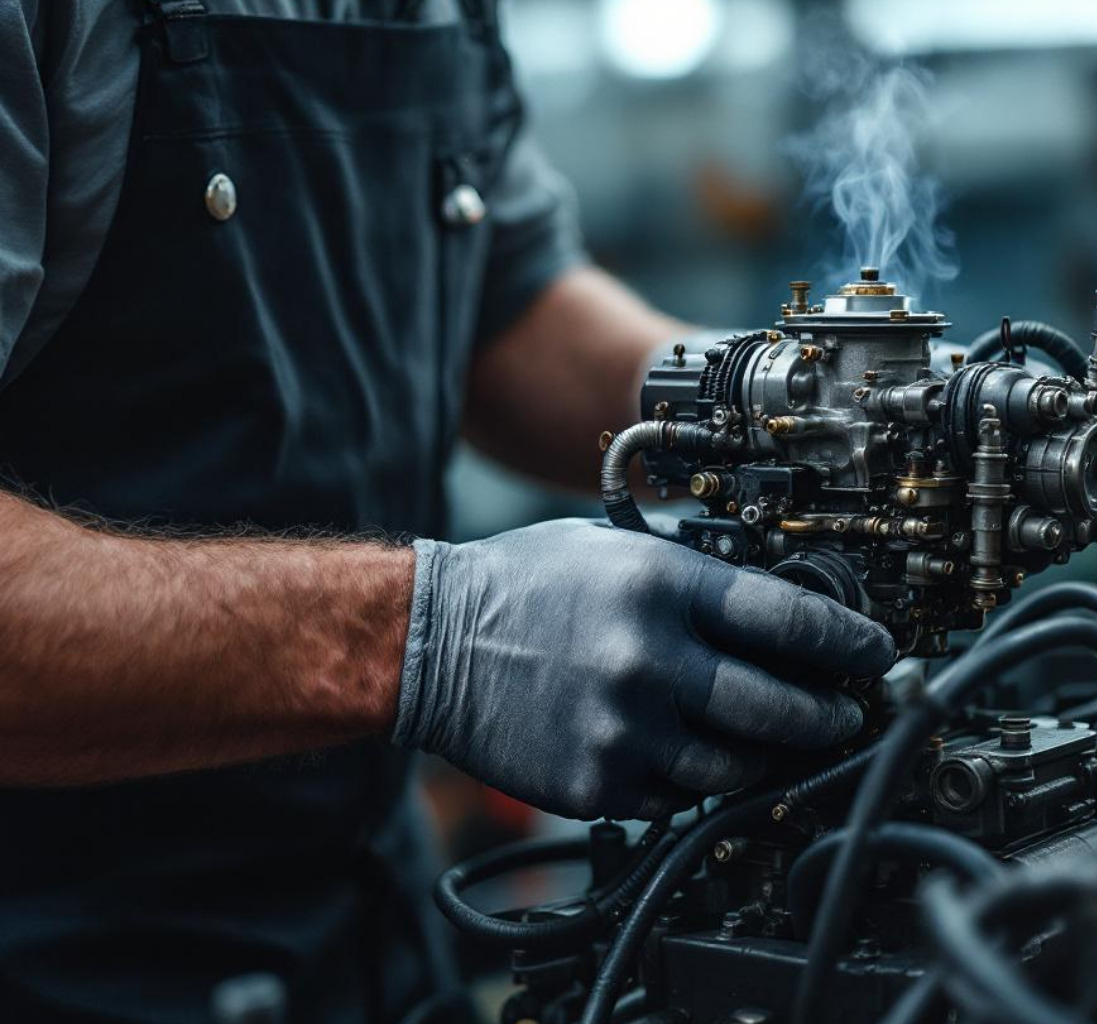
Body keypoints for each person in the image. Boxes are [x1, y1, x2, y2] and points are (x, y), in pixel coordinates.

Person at [0, 2, 896, 1021]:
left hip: (365, 918)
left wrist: (786, 405)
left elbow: (508, 312)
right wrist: (428, 639)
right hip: (52, 954)